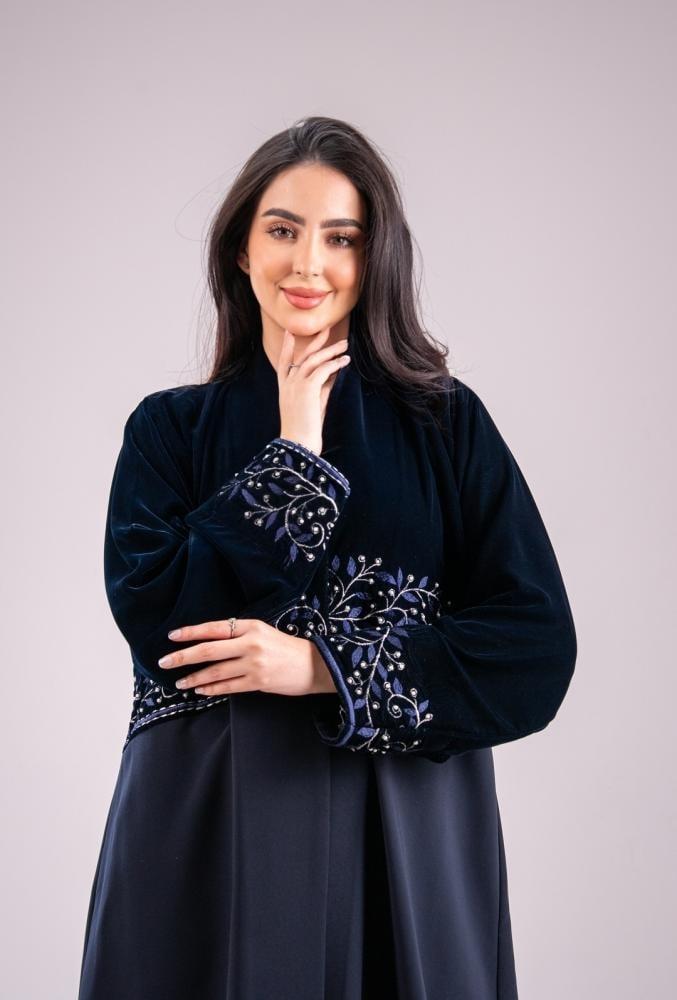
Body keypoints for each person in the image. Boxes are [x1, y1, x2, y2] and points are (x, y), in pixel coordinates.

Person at [77, 115, 577, 1000]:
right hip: (205, 816)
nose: (308, 264)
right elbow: (165, 629)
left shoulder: (445, 424)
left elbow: (534, 649)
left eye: (340, 238)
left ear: (373, 258)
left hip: (410, 825)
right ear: (241, 248)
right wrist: (295, 452)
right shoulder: (167, 430)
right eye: (283, 230)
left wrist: (320, 668)